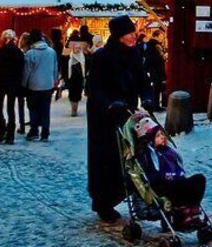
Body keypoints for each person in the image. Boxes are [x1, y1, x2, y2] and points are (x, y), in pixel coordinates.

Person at [86, 14, 154, 223]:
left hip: (128, 113)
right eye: (129, 33)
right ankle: (103, 201)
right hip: (104, 116)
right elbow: (94, 88)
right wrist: (109, 103)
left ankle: (134, 195)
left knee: (133, 155)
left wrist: (148, 98)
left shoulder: (135, 56)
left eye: (133, 32)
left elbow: (143, 80)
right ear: (118, 36)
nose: (134, 36)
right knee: (106, 158)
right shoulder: (102, 57)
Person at [135, 115, 206, 219]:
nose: (163, 137)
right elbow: (150, 176)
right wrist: (167, 176)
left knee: (200, 179)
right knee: (179, 184)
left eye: (163, 134)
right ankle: (182, 210)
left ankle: (192, 207)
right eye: (158, 136)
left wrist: (178, 175)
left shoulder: (169, 151)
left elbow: (179, 167)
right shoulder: (147, 154)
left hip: (176, 182)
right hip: (163, 187)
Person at [22, 29, 59, 142]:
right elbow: (55, 68)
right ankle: (45, 132)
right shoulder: (51, 52)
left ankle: (34, 131)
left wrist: (24, 84)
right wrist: (54, 81)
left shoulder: (30, 53)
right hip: (47, 84)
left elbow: (26, 71)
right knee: (45, 109)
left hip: (33, 85)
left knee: (33, 109)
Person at [0, 29, 25, 144]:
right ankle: (11, 135)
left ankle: (1, 130)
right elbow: (22, 68)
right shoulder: (18, 52)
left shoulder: (0, 51)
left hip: (1, 82)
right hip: (14, 83)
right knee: (11, 108)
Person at [144, 30, 167, 112]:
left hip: (155, 69)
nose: (162, 38)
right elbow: (152, 58)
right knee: (156, 88)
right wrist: (162, 57)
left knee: (157, 88)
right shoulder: (153, 45)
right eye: (161, 36)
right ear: (156, 36)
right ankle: (155, 106)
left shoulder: (153, 45)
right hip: (155, 70)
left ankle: (156, 105)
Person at [65, 39, 87, 117]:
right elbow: (65, 69)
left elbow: (85, 67)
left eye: (79, 48)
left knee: (77, 95)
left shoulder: (83, 57)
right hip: (71, 79)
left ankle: (75, 109)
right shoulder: (69, 57)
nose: (77, 50)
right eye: (76, 48)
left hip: (79, 79)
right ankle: (73, 110)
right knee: (72, 95)